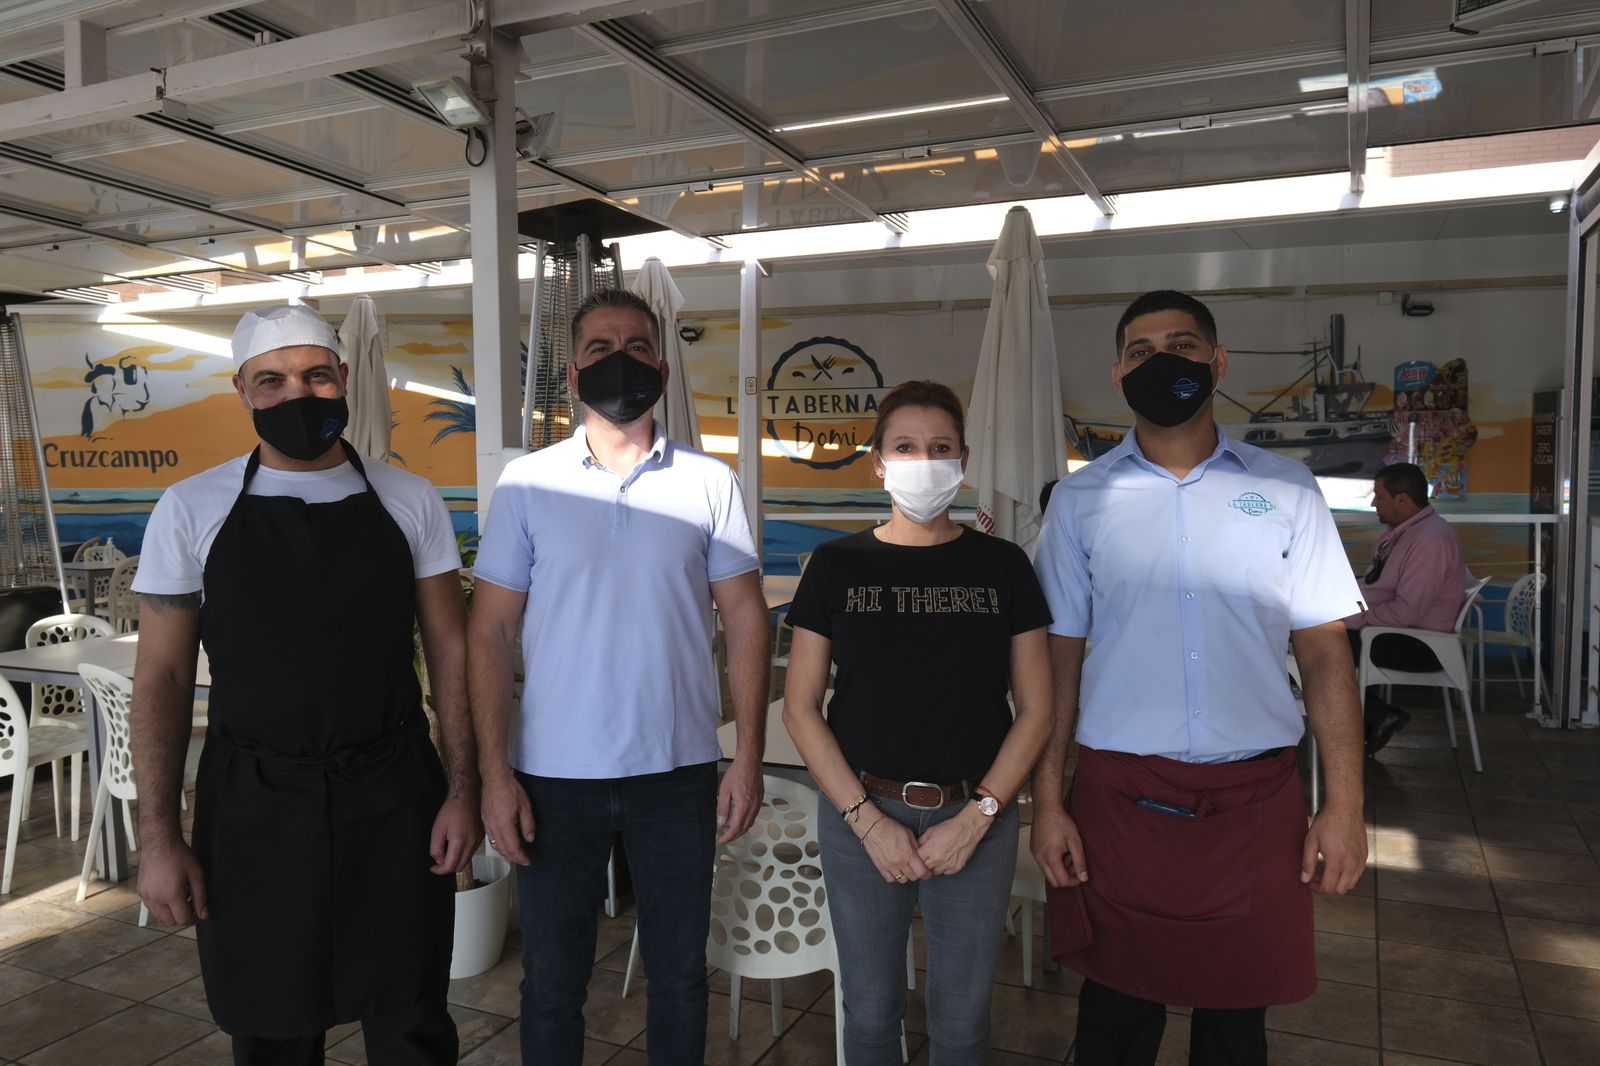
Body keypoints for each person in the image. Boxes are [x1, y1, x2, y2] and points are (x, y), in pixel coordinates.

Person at [131, 303, 479, 1065]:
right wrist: (158, 837)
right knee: (271, 1028)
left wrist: (463, 790)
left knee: (412, 1023)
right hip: (253, 804)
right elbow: (160, 674)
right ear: (243, 391)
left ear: (344, 378)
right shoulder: (191, 508)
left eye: (316, 375)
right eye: (273, 381)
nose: (298, 395)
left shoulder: (409, 499)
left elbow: (450, 652)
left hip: (392, 795)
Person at [1031, 290, 1368, 1066]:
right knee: (1114, 1018)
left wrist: (1343, 807)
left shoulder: (1287, 490)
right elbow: (1059, 663)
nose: (1163, 363)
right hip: (1120, 799)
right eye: (1142, 352)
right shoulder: (1081, 501)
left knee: (1235, 1029)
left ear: (1217, 363)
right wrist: (1049, 802)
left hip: (1255, 802)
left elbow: (1324, 654)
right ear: (1119, 374)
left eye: (1182, 346)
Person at [468, 288, 771, 1066]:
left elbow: (744, 618)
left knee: (678, 979)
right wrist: (493, 776)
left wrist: (744, 758)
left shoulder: (708, 482)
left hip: (675, 773)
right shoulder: (527, 483)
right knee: (551, 984)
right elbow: (492, 630)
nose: (619, 361)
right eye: (600, 349)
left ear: (662, 368)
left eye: (635, 346)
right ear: (572, 374)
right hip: (550, 778)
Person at [781, 380, 1054, 1065]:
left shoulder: (1003, 566)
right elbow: (800, 706)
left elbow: (1039, 707)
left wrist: (981, 814)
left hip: (977, 818)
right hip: (860, 814)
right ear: (877, 460)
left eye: (940, 448)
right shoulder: (837, 566)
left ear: (963, 460)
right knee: (870, 1013)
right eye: (905, 447)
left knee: (962, 1024)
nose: (923, 461)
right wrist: (868, 822)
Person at [1345, 462, 1469, 754]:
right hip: (1396, 633)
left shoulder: (1430, 540)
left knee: (1320, 645)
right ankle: (1371, 717)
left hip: (1420, 643)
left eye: (1379, 496)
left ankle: (1373, 716)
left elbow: (1406, 612)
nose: (1374, 503)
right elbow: (1382, 586)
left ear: (1402, 499)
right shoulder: (1407, 532)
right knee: (1315, 639)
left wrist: (1352, 619)